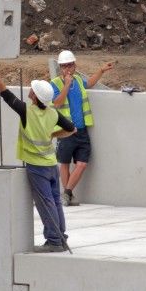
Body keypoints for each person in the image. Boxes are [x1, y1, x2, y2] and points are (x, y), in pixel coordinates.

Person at [0, 61, 77, 253]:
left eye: (32, 90)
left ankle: (54, 241)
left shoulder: (27, 112)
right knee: (55, 202)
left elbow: (4, 92)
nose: (30, 90)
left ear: (35, 97)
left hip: (37, 167)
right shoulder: (53, 114)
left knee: (46, 204)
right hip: (51, 165)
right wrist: (53, 135)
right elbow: (72, 129)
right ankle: (61, 237)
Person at [51, 50, 114, 207]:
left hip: (81, 130)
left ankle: (66, 193)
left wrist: (101, 70)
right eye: (64, 66)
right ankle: (68, 197)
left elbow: (90, 83)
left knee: (82, 164)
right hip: (65, 132)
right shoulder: (55, 84)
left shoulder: (78, 80)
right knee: (64, 163)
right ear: (60, 68)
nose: (67, 69)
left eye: (70, 65)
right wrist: (66, 84)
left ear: (74, 65)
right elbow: (57, 103)